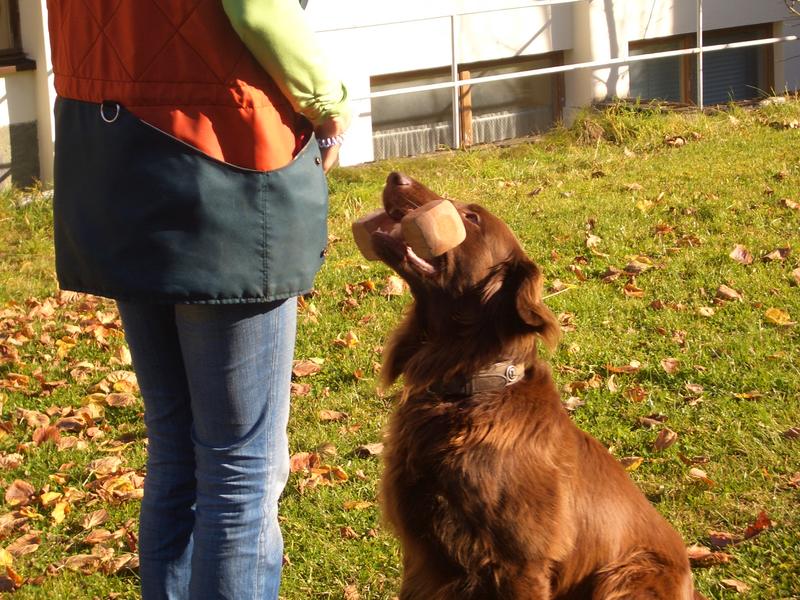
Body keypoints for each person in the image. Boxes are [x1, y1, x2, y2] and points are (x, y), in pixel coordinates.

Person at [45, 1, 350, 598]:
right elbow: (258, 11)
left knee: (175, 449)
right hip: (227, 160)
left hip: (114, 159)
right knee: (240, 466)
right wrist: (328, 103)